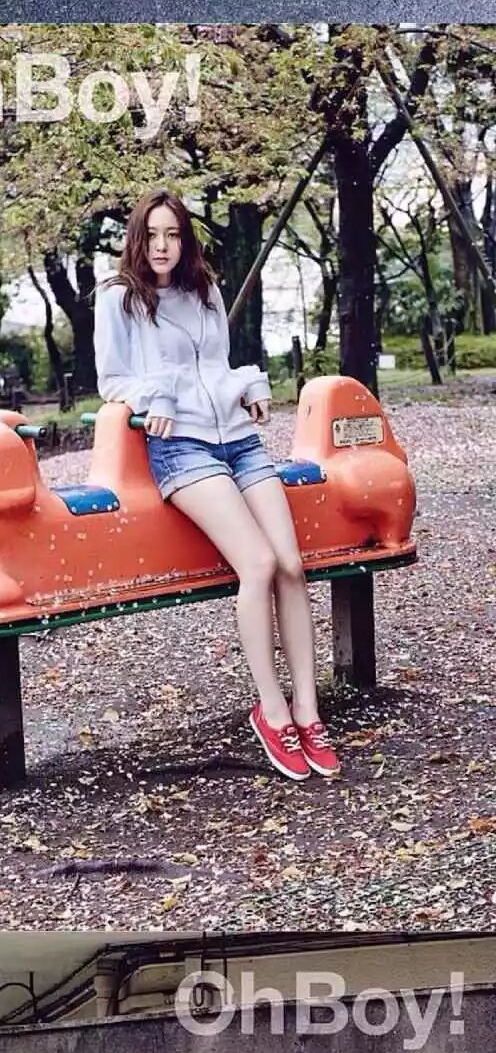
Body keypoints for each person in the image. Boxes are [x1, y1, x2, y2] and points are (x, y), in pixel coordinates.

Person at [93, 185, 336, 789]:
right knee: (257, 564)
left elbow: (217, 367)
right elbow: (113, 380)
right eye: (152, 235)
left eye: (173, 234)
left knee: (291, 566)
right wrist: (155, 399)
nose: (162, 246)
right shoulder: (119, 298)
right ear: (136, 238)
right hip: (180, 448)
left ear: (186, 240)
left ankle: (308, 712)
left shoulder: (205, 290)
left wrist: (247, 389)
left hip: (238, 439)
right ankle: (272, 712)